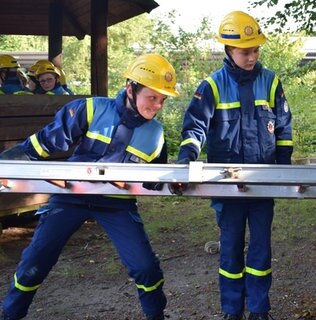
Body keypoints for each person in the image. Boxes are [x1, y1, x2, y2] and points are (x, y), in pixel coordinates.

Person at [0, 53, 179, 320]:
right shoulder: (91, 109)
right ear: (131, 88)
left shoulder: (156, 134)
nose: (158, 105)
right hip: (70, 197)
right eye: (152, 97)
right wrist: (5, 164)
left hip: (116, 205)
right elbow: (41, 145)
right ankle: (9, 315)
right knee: (34, 263)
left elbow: (154, 177)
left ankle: (157, 316)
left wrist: (173, 181)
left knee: (145, 268)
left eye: (162, 99)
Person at [176, 11, 293, 320]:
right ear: (229, 50)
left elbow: (283, 129)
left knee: (261, 250)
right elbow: (195, 128)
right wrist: (186, 159)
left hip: (263, 182)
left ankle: (258, 309)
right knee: (229, 250)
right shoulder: (212, 86)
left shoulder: (271, 83)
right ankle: (232, 310)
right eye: (245, 51)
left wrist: (283, 173)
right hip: (225, 184)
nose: (252, 56)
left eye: (256, 50)